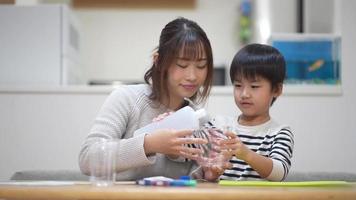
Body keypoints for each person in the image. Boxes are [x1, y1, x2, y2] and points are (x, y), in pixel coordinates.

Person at [78, 17, 214, 180]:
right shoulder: (126, 99)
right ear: (159, 61)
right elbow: (88, 158)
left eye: (201, 66)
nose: (192, 76)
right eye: (182, 65)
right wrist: (149, 145)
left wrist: (209, 172)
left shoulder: (201, 118)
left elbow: (196, 181)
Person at [198, 43, 294, 181]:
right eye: (238, 85)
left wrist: (246, 154)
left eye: (254, 86)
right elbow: (193, 156)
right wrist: (210, 174)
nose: (244, 94)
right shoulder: (219, 125)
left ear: (277, 90)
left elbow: (279, 173)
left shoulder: (279, 133)